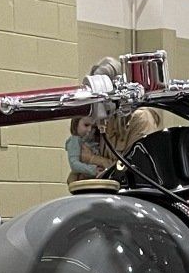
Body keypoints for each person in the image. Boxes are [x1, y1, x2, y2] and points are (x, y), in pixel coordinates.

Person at [65, 56, 159, 186]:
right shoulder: (103, 122)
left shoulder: (141, 119)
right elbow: (76, 173)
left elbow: (136, 172)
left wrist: (93, 159)